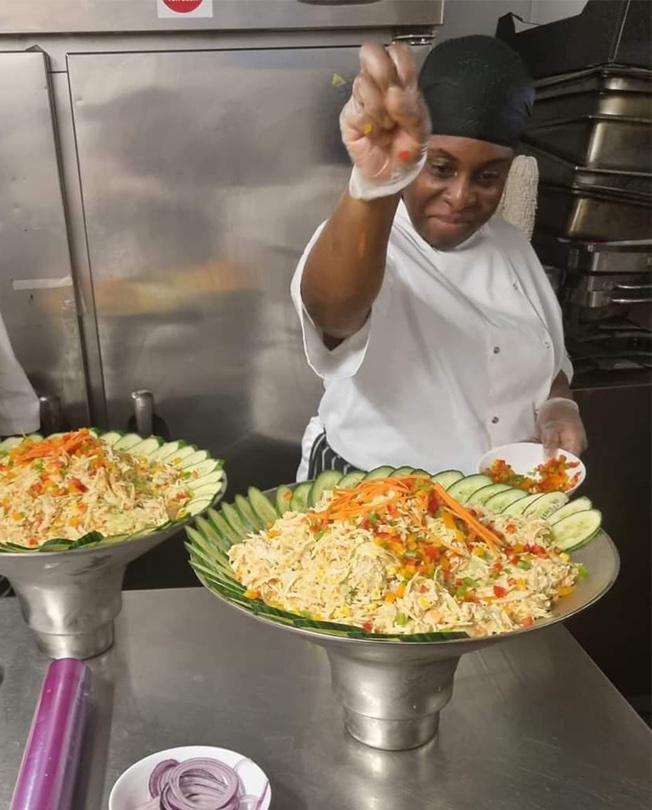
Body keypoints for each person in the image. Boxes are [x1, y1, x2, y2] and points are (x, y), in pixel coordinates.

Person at [291, 35, 587, 481]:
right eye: (441, 168)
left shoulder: (511, 246)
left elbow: (545, 360)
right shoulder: (370, 239)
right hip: (367, 502)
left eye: (488, 176)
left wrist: (559, 405)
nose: (461, 196)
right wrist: (373, 189)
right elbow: (333, 313)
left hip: (490, 506)